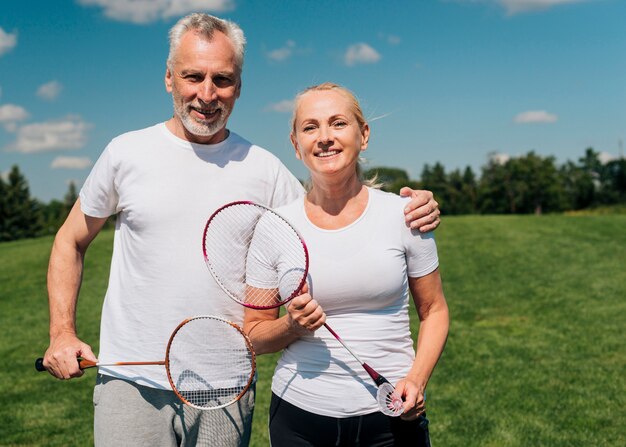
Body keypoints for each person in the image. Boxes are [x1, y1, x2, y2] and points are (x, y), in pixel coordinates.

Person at [41, 13, 441, 447]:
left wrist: (415, 205)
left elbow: (330, 209)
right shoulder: (125, 153)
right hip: (131, 382)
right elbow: (70, 240)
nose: (207, 94)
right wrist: (61, 332)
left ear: (239, 86)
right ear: (169, 78)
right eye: (193, 76)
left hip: (227, 388)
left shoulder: (265, 169)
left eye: (223, 79)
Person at [243, 82, 449, 447]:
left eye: (338, 123)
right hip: (299, 419)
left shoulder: (406, 214)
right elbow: (254, 336)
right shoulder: (274, 226)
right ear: (295, 145)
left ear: (363, 135)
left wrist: (416, 380)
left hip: (393, 413)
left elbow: (433, 310)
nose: (324, 137)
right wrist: (292, 326)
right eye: (310, 127)